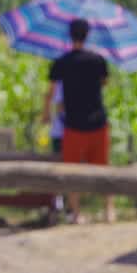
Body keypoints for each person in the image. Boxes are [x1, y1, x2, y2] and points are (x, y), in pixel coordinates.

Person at [43, 18, 112, 223]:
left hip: (72, 124)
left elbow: (51, 93)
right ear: (87, 34)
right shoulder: (98, 60)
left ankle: (77, 214)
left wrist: (46, 113)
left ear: (70, 35)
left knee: (72, 171)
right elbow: (105, 82)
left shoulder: (61, 63)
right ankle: (109, 211)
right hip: (98, 121)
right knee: (103, 169)